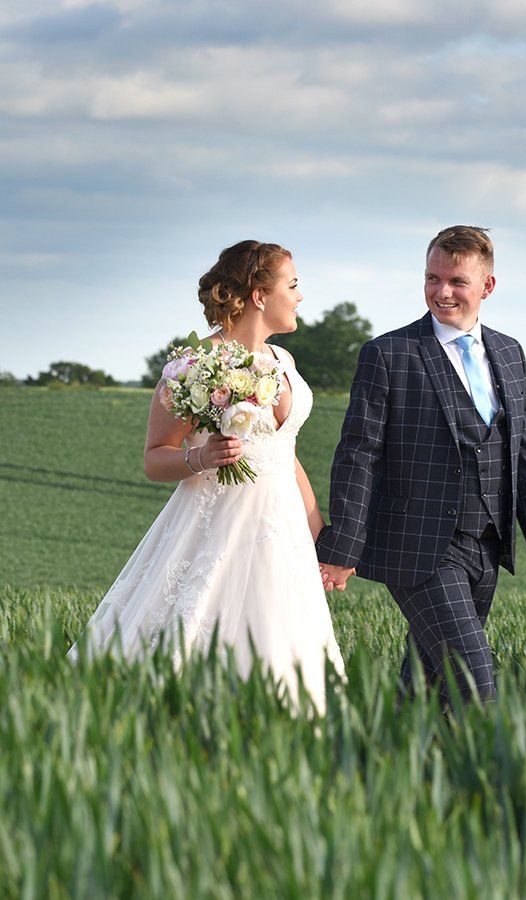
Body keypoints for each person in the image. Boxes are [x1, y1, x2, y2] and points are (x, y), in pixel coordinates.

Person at [70, 240, 345, 714]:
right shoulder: (193, 367)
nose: (300, 296)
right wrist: (201, 458)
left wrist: (321, 535)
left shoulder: (285, 362)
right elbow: (155, 458)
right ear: (260, 295)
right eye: (293, 285)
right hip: (216, 527)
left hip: (283, 534)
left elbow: (287, 454)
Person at [316, 225, 526, 705]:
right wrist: (343, 546)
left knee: (428, 685)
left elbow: (525, 458)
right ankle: (492, 758)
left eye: (457, 281)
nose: (442, 291)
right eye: (432, 278)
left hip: (486, 546)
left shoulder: (510, 353)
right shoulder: (388, 354)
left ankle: (390, 747)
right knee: (477, 685)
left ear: (487, 286)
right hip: (416, 546)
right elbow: (358, 454)